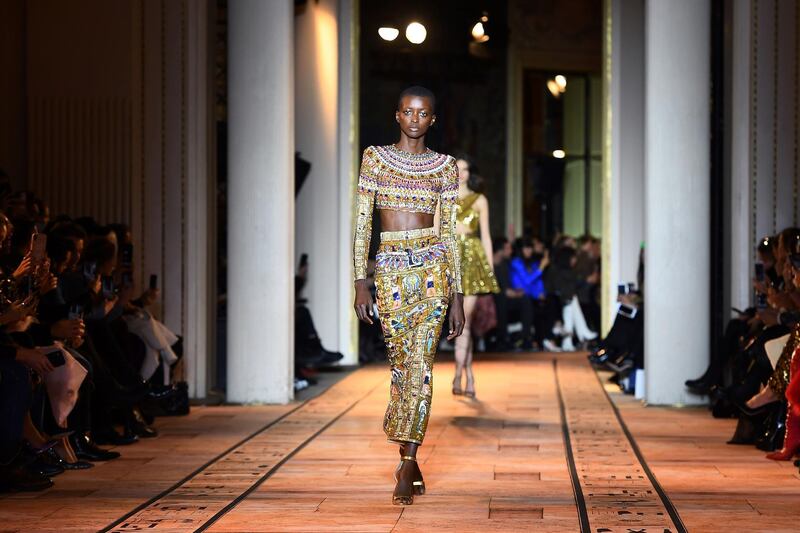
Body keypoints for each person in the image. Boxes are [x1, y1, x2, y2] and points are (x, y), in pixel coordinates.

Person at [352, 86, 465, 506]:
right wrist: (360, 280)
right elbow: (364, 221)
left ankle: (406, 462)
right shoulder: (374, 158)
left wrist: (457, 295)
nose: (415, 118)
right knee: (401, 367)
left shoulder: (445, 166)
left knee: (422, 367)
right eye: (408, 111)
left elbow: (450, 232)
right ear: (396, 115)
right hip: (392, 270)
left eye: (424, 113)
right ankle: (409, 457)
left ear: (432, 119)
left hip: (433, 269)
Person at [451, 156, 499, 397]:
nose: (461, 173)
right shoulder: (444, 198)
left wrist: (489, 270)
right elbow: (437, 234)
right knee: (459, 324)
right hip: (450, 260)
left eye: (465, 169)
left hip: (471, 259)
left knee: (465, 322)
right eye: (457, 169)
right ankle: (467, 374)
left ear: (470, 172)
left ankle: (460, 372)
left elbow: (487, 237)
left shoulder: (480, 200)